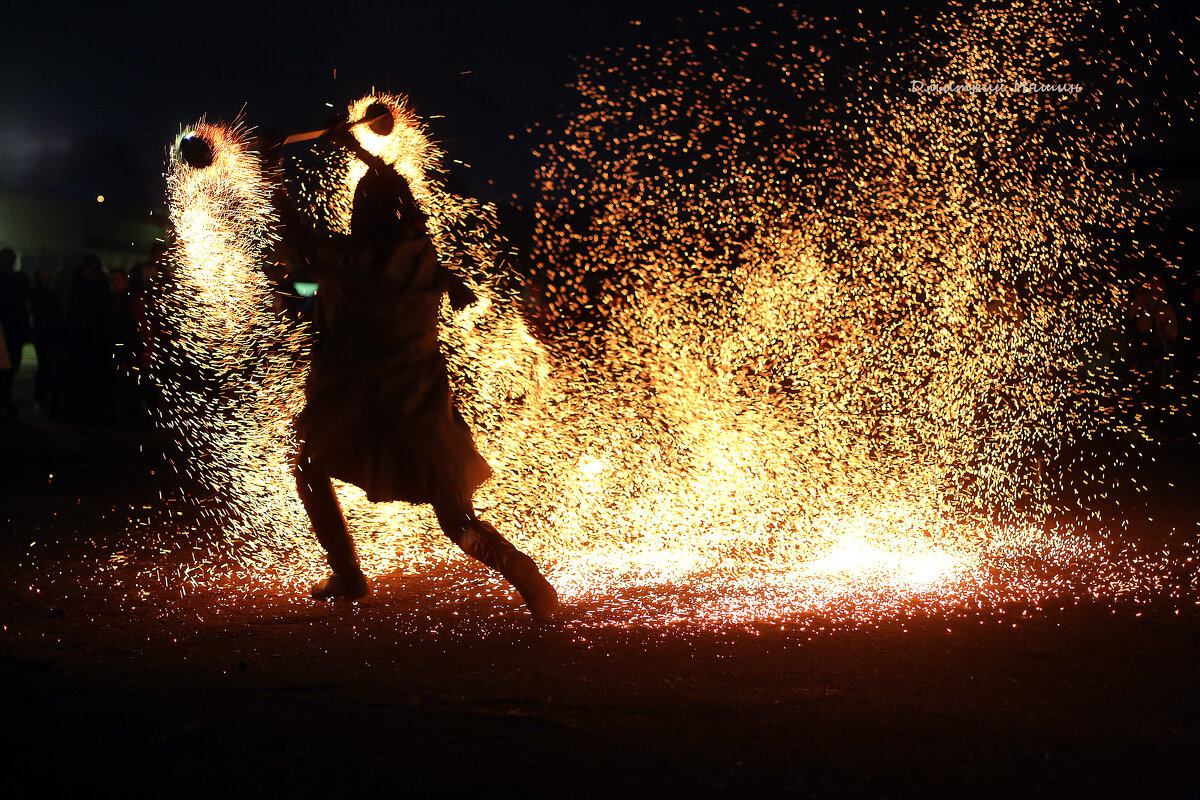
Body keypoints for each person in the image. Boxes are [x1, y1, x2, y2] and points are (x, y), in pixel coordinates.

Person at [272, 116, 558, 621]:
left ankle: (347, 572)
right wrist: (361, 154)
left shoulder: (352, 257)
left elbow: (294, 232)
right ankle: (527, 579)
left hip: (362, 403)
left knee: (311, 469)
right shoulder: (422, 254)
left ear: (361, 216)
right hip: (420, 403)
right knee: (454, 515)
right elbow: (400, 194)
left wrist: (273, 171)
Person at [0, 248, 31, 414]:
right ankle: (5, 400)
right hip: (11, 328)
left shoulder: (18, 278)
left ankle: (5, 400)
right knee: (9, 366)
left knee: (9, 366)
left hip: (10, 328)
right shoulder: (20, 278)